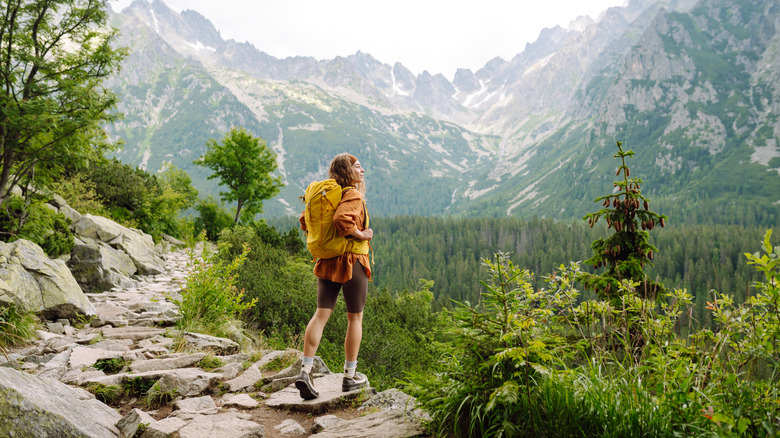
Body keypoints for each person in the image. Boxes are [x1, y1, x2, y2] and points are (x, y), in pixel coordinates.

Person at [296, 153, 373, 400]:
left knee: (321, 315)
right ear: (348, 172)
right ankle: (350, 377)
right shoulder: (351, 194)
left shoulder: (325, 195)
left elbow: (304, 222)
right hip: (352, 261)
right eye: (358, 167)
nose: (362, 170)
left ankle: (305, 370)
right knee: (355, 319)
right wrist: (362, 234)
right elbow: (342, 219)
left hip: (327, 261)